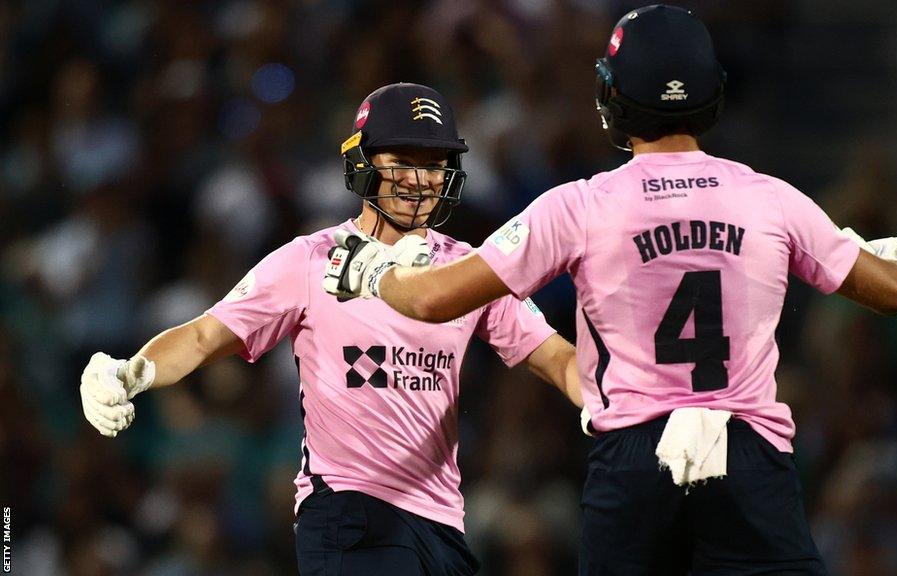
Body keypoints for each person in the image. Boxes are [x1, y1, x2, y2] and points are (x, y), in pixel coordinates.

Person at [321, 6, 897, 575]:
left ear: (613, 96)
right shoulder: (771, 198)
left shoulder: (581, 205)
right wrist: (889, 255)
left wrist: (375, 270)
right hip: (749, 458)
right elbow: (895, 292)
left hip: (635, 461)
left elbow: (432, 299)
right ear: (712, 92)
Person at [78, 83, 582, 576]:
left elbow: (558, 359)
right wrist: (130, 372)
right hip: (350, 512)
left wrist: (641, 406)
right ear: (364, 163)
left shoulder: (464, 271)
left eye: (433, 164)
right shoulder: (310, 261)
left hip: (442, 525)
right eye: (402, 160)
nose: (420, 179)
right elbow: (204, 336)